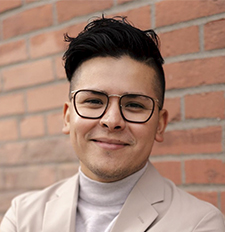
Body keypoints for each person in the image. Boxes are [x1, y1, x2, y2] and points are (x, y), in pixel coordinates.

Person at [1, 16, 224, 232]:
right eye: (94, 101)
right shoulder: (22, 216)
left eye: (134, 105)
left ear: (160, 124)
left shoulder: (199, 224)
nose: (112, 121)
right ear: (68, 117)